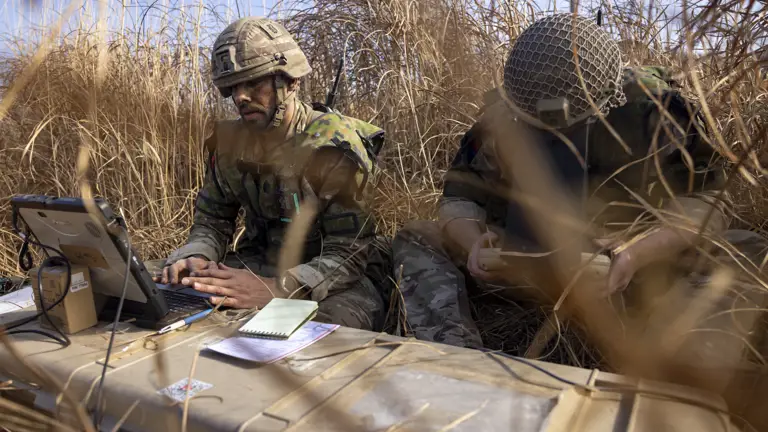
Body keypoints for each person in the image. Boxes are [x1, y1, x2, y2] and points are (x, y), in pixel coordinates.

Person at [391, 13, 768, 350]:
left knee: (750, 250)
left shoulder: (655, 111)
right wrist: (473, 244)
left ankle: (672, 356)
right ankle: (452, 352)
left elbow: (708, 202)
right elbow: (459, 198)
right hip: (520, 264)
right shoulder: (501, 122)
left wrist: (638, 250)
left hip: (623, 268)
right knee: (418, 236)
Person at [148, 17, 393, 331]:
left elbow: (350, 253)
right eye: (234, 87)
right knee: (151, 285)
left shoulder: (333, 145)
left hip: (335, 281)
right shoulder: (230, 144)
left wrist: (278, 290)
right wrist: (198, 255)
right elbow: (212, 219)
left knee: (318, 331)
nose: (240, 97)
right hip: (258, 262)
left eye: (253, 83)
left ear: (289, 81)